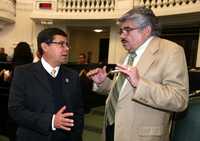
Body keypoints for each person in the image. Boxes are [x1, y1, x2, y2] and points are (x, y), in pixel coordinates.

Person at [87, 6, 189, 141]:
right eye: (121, 31)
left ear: (146, 30)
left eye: (127, 30)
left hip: (142, 136)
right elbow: (123, 93)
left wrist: (140, 83)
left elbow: (179, 100)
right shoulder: (127, 56)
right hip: (114, 129)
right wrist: (103, 83)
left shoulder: (172, 51)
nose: (122, 35)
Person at [8, 28, 84, 141]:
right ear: (45, 46)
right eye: (61, 44)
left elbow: (78, 111)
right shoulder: (23, 73)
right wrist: (51, 121)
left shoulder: (73, 76)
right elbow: (16, 110)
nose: (67, 49)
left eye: (67, 44)